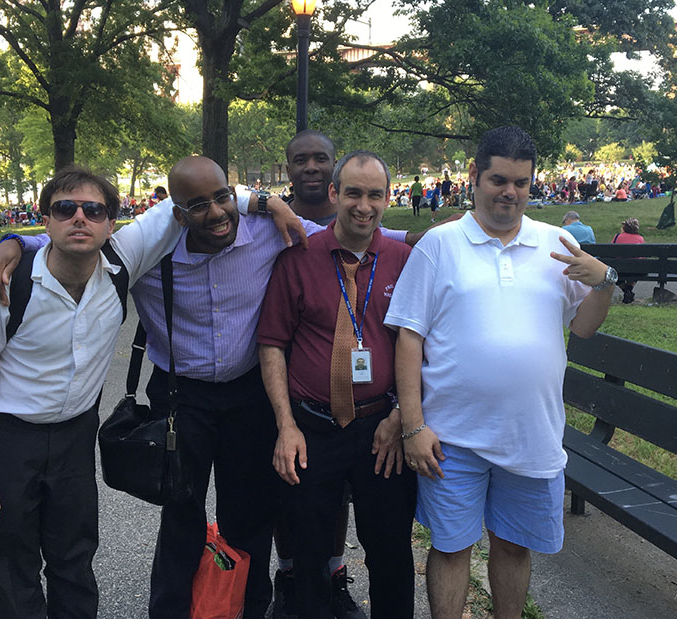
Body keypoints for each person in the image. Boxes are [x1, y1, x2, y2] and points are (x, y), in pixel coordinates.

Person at [0, 157, 310, 619]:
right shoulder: (148, 253)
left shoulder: (269, 234)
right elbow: (82, 237)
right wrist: (16, 240)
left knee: (250, 514)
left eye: (222, 199)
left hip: (248, 395)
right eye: (197, 205)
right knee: (180, 515)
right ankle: (172, 611)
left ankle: (245, 609)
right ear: (176, 214)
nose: (215, 212)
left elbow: (343, 238)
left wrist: (424, 242)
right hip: (180, 398)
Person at [385, 126, 615, 619]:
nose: (510, 192)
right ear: (475, 176)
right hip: (452, 440)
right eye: (498, 179)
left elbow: (586, 329)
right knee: (450, 548)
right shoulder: (439, 245)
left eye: (521, 182)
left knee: (513, 548)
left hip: (530, 436)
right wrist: (413, 425)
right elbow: (409, 337)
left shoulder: (556, 243)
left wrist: (604, 285)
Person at [0, 167, 129, 619]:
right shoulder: (7, 283)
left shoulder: (120, 271)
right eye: (65, 209)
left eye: (94, 210)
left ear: (111, 224)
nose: (80, 219)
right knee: (12, 564)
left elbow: (182, 202)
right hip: (11, 439)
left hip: (76, 436)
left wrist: (262, 203)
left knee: (75, 555)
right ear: (45, 221)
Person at [258, 151, 417, 619]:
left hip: (381, 432)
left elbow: (424, 344)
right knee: (308, 553)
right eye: (352, 192)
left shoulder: (404, 261)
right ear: (334, 194)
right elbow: (271, 345)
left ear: (388, 199)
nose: (363, 205)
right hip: (312, 429)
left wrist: (401, 415)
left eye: (374, 194)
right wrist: (286, 426)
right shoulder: (298, 259)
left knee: (390, 550)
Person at [612, 217, 645, 304]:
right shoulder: (640, 238)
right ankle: (629, 290)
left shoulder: (617, 237)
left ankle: (626, 291)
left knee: (613, 271)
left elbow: (611, 253)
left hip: (619, 269)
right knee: (639, 268)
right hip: (635, 270)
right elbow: (642, 256)